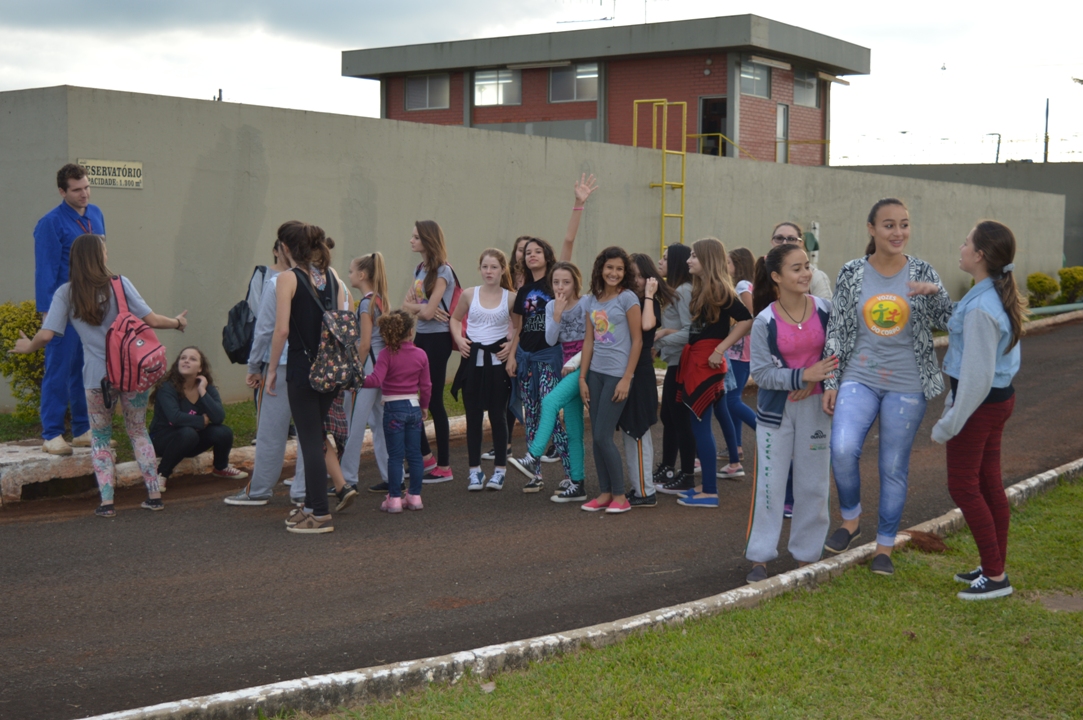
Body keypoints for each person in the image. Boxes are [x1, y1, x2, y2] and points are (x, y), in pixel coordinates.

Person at [821, 198, 954, 575]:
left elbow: (949, 319)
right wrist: (831, 379)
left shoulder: (923, 270)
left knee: (892, 465)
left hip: (907, 383)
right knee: (842, 448)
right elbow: (837, 328)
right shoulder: (852, 272)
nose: (898, 232)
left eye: (904, 224)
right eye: (889, 225)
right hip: (859, 376)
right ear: (872, 229)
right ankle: (851, 519)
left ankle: (884, 547)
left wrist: (936, 294)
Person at [11, 234, 188, 516]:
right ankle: (154, 495)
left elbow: (46, 335)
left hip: (96, 378)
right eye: (104, 250)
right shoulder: (120, 283)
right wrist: (177, 322)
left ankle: (107, 503)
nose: (106, 254)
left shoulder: (66, 293)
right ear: (98, 255)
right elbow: (152, 320)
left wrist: (27, 346)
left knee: (101, 438)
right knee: (138, 431)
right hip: (132, 373)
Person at [932, 220, 1025, 601]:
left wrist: (950, 423)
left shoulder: (983, 308)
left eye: (966, 242)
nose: (961, 247)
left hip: (979, 406)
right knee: (987, 484)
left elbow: (976, 378)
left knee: (963, 486)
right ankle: (993, 566)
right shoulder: (988, 294)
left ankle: (996, 576)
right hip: (996, 401)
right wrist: (933, 293)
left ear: (980, 255)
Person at [744, 244, 838, 583]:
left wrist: (817, 381)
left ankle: (807, 556)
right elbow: (761, 373)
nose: (805, 274)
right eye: (796, 269)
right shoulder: (764, 321)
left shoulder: (826, 310)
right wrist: (801, 377)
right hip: (776, 414)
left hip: (817, 409)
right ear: (776, 277)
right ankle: (759, 556)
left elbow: (838, 356)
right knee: (769, 486)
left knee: (813, 484)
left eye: (806, 266)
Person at [497, 174, 599, 464]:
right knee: (532, 412)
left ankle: (563, 464)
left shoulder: (555, 281)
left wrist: (578, 203)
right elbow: (519, 327)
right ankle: (538, 474)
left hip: (551, 355)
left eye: (537, 251)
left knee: (549, 406)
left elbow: (568, 239)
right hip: (526, 356)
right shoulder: (523, 291)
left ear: (547, 255)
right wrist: (512, 356)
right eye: (527, 252)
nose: (532, 255)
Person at [266, 221, 349, 535]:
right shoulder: (331, 275)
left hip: (303, 368)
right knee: (314, 437)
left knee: (311, 441)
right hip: (331, 368)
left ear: (286, 248)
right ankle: (313, 507)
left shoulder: (287, 278)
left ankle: (321, 514)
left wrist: (271, 369)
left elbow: (282, 330)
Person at [225, 240, 309, 507]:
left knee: (270, 431)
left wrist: (256, 366)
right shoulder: (327, 279)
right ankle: (304, 488)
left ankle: (259, 489)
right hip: (313, 365)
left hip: (281, 362)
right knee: (309, 431)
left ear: (284, 247)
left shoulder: (276, 281)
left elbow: (265, 328)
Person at [675, 238, 753, 508]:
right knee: (701, 424)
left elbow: (746, 319)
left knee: (700, 426)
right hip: (698, 360)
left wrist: (720, 349)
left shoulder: (719, 288)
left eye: (694, 256)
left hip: (706, 364)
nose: (689, 260)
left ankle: (709, 492)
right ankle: (707, 484)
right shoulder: (705, 288)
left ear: (707, 259)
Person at [33, 164, 106, 456]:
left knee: (84, 369)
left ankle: (82, 430)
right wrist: (47, 315)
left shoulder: (96, 214)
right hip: (63, 308)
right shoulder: (50, 223)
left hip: (90, 307)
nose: (84, 194)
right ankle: (51, 434)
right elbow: (45, 271)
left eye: (86, 187)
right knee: (58, 370)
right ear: (62, 192)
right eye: (77, 190)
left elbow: (100, 260)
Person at [508, 261, 591, 502]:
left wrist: (575, 363)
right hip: (566, 366)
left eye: (566, 282)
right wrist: (556, 314)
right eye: (556, 282)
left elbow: (593, 340)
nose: (560, 287)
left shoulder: (586, 303)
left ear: (576, 282)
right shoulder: (552, 305)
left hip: (583, 365)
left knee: (550, 401)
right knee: (574, 429)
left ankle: (533, 454)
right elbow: (552, 339)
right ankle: (577, 483)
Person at [578, 246, 642, 514]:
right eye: (609, 267)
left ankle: (620, 496)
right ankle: (605, 493)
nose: (614, 273)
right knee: (596, 437)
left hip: (617, 375)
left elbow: (637, 341)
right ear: (600, 269)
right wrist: (583, 378)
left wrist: (627, 378)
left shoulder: (628, 298)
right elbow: (589, 341)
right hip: (595, 374)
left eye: (619, 269)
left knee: (604, 436)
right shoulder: (592, 300)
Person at [450, 249, 515, 491]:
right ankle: (474, 471)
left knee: (498, 416)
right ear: (480, 269)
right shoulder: (469, 294)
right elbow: (455, 319)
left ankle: (500, 470)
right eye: (485, 267)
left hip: (497, 365)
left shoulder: (511, 298)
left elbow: (519, 328)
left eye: (494, 267)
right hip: (472, 364)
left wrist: (511, 346)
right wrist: (459, 339)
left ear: (502, 270)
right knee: (473, 417)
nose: (489, 271)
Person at [361, 310, 432, 513]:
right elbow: (426, 385)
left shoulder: (386, 354)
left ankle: (394, 498)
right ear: (410, 331)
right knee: (415, 454)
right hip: (414, 407)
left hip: (393, 408)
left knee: (395, 456)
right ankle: (415, 496)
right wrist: (424, 406)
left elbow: (375, 380)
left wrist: (357, 380)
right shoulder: (421, 354)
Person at [402, 220, 457, 483]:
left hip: (438, 340)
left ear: (428, 240)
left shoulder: (443, 271)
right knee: (411, 397)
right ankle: (426, 457)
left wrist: (422, 309)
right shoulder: (419, 269)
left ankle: (444, 466)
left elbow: (425, 311)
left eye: (416, 237)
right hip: (421, 336)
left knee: (433, 400)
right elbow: (408, 305)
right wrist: (421, 309)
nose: (411, 241)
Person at [150, 347, 248, 488]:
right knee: (188, 433)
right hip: (163, 439)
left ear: (200, 368)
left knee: (223, 432)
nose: (186, 361)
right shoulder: (167, 387)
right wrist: (201, 421)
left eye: (192, 359)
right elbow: (175, 418)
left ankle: (221, 467)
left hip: (191, 440)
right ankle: (161, 474)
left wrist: (202, 391)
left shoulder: (207, 388)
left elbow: (219, 417)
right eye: (183, 358)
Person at [621, 254, 673, 508]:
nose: (637, 280)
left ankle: (644, 491)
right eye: (632, 275)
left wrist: (650, 295)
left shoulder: (649, 304)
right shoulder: (626, 300)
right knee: (631, 431)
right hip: (626, 370)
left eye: (641, 276)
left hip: (639, 373)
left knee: (638, 430)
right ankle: (640, 487)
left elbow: (647, 325)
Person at [343, 253, 391, 495]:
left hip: (368, 368)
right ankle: (392, 477)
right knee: (381, 424)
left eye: (351, 271)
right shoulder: (380, 300)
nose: (349, 275)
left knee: (353, 424)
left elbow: (364, 344)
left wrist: (354, 371)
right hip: (383, 367)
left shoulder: (365, 304)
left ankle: (347, 479)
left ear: (362, 275)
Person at [654, 243, 698, 495]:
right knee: (669, 417)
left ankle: (687, 474)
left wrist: (660, 338)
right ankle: (668, 467)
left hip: (682, 362)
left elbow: (691, 332)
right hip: (674, 360)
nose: (660, 262)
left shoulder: (683, 291)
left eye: (665, 258)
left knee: (679, 419)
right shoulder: (676, 290)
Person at [725, 247, 758, 462]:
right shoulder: (748, 285)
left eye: (728, 262)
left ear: (738, 265)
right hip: (741, 350)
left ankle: (764, 432)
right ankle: (735, 446)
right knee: (733, 399)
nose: (725, 266)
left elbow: (751, 317)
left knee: (731, 400)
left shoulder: (742, 286)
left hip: (738, 351)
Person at [769, 222, 832, 299]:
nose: (784, 243)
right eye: (779, 238)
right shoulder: (760, 272)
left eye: (791, 239)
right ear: (771, 242)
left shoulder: (816, 277)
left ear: (801, 243)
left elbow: (826, 305)